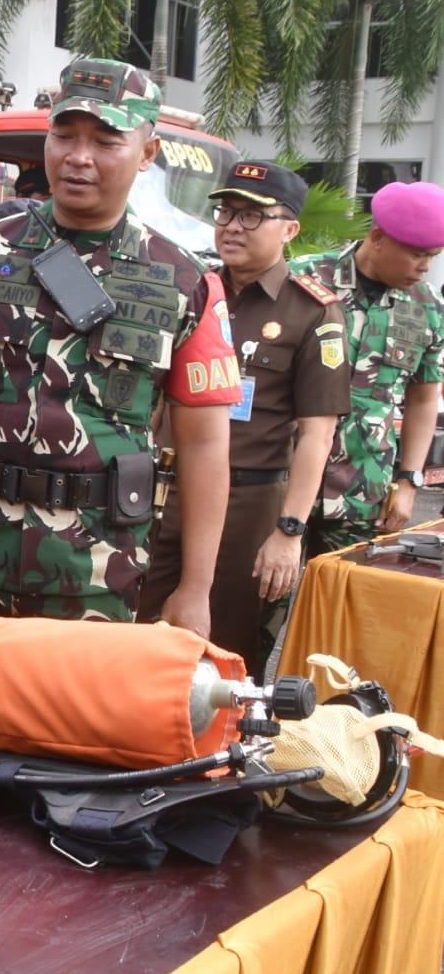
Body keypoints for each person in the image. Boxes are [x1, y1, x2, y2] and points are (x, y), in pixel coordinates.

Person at [0, 58, 240, 632]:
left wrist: (196, 587)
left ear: (146, 152)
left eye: (105, 140)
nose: (78, 156)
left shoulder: (184, 281)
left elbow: (206, 445)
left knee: (76, 720)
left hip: (96, 571)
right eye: (64, 135)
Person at [138, 161, 349, 675]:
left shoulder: (312, 311)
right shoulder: (190, 288)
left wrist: (290, 531)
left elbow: (318, 434)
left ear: (290, 229)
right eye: (227, 212)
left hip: (245, 506)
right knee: (134, 632)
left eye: (253, 216)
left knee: (220, 650)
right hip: (159, 492)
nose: (233, 226)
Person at [288, 180, 444, 557]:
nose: (424, 267)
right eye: (417, 255)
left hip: (364, 493)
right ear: (377, 238)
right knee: (260, 603)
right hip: (285, 478)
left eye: (433, 256)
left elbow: (423, 399)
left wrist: (408, 482)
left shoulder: (428, 307)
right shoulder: (301, 281)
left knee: (345, 607)